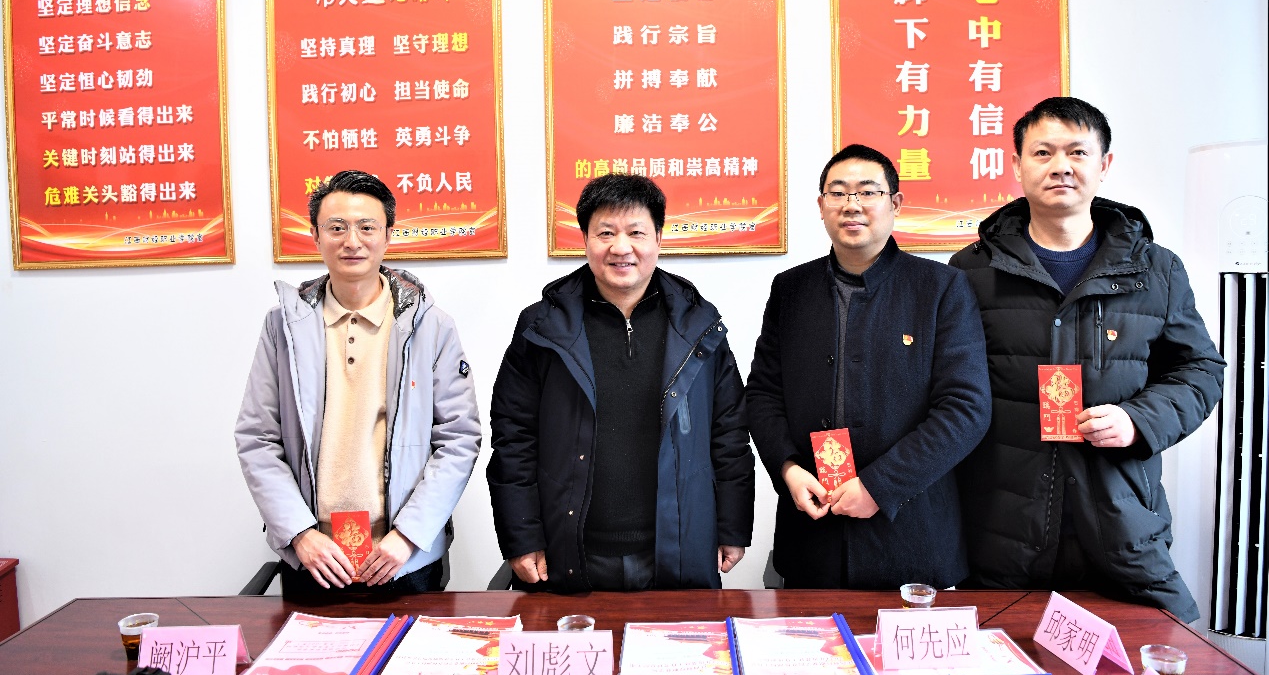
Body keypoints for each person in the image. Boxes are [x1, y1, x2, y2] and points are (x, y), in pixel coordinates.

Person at [950, 97, 1224, 621]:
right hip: (998, 529)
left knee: (1162, 650)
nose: (1061, 166)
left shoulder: (1156, 270)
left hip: (1122, 523)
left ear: (1105, 164)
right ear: (1017, 165)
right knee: (1001, 663)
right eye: (1043, 152)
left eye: (1077, 152)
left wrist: (1138, 420)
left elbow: (1200, 370)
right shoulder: (970, 271)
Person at [487, 174, 755, 592]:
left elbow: (730, 433)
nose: (621, 247)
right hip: (568, 548)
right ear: (585, 239)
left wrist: (732, 526)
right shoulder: (542, 327)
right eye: (606, 233)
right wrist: (521, 536)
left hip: (679, 544)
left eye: (636, 233)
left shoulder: (698, 324)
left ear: (659, 238)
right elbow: (513, 437)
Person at [747, 144, 991, 588]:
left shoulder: (940, 288)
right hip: (812, 534)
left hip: (912, 535)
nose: (852, 204)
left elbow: (966, 409)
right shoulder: (791, 289)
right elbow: (763, 393)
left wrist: (880, 486)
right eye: (838, 193)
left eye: (867, 191)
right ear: (821, 205)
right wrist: (787, 468)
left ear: (895, 203)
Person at [235, 170, 481, 597]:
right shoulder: (283, 328)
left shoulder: (430, 326)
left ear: (388, 235)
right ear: (315, 236)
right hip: (314, 558)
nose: (352, 241)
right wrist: (300, 534)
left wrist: (408, 536)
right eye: (337, 228)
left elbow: (459, 438)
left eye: (367, 227)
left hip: (403, 558)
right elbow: (257, 438)